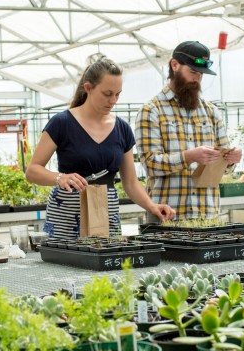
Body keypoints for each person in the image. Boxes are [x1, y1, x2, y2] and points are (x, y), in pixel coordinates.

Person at [26, 55, 175, 238]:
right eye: (107, 94)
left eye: (117, 94)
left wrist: (152, 206)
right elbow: (32, 170)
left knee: (105, 260)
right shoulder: (62, 123)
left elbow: (130, 182)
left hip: (106, 213)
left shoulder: (122, 129)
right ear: (88, 88)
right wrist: (60, 177)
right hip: (66, 217)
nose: (113, 100)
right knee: (66, 263)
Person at [135, 40, 242, 221]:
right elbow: (151, 164)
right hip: (167, 217)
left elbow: (223, 167)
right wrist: (189, 156)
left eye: (201, 74)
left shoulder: (210, 112)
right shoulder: (152, 111)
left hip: (206, 216)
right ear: (174, 65)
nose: (197, 79)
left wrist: (231, 159)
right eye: (192, 72)